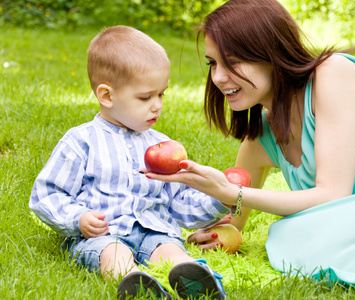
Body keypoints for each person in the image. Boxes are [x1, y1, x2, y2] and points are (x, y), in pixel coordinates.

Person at [143, 0, 355, 298]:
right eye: (213, 64)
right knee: (292, 235)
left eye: (233, 62)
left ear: (270, 53)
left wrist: (231, 193)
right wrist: (205, 229)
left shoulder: (333, 73)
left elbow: (333, 194)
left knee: (295, 233)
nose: (219, 77)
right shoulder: (259, 141)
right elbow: (232, 223)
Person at [29, 25, 229, 300]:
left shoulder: (162, 145)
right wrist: (78, 219)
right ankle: (133, 283)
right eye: (145, 97)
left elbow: (179, 203)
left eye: (161, 94)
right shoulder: (81, 141)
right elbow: (47, 194)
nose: (157, 105)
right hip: (102, 235)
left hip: (154, 231)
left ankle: (193, 278)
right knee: (113, 253)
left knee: (170, 250)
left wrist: (220, 198)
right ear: (107, 96)